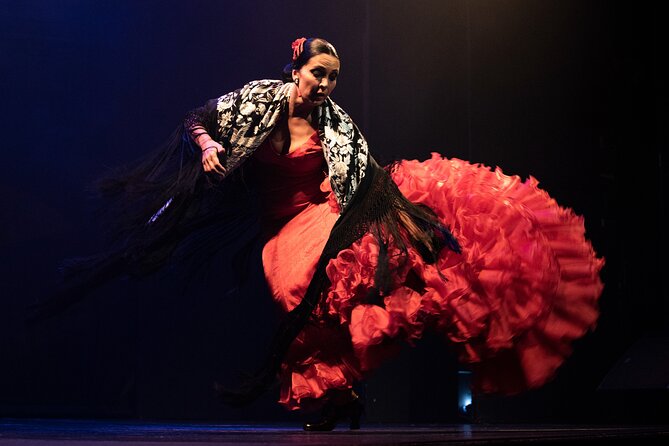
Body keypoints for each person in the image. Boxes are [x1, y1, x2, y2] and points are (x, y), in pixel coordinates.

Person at [29, 37, 604, 431]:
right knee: (288, 295)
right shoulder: (258, 100)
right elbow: (196, 118)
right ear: (296, 70)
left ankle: (338, 384)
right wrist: (207, 148)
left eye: (334, 77)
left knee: (328, 284)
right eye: (318, 73)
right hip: (275, 224)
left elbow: (368, 178)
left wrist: (403, 219)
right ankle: (334, 394)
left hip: (320, 215)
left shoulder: (336, 122)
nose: (326, 84)